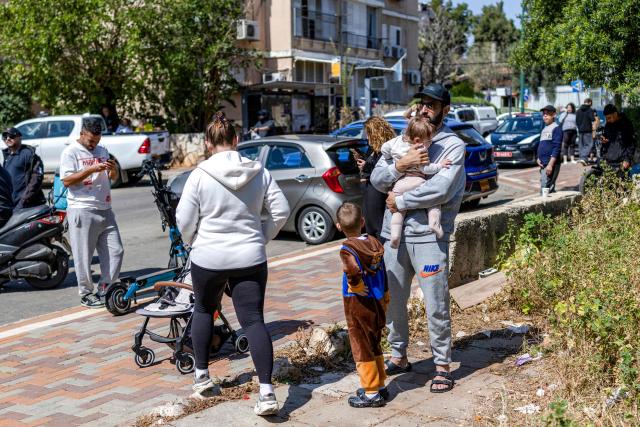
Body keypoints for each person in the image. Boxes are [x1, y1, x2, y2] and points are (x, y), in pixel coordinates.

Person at [175, 112, 289, 415]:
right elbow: (281, 210)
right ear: (236, 140)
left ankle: (201, 376)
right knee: (253, 321)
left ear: (208, 143)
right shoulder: (259, 171)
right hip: (249, 257)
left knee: (203, 309)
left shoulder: (199, 175)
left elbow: (184, 220)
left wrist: (194, 241)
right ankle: (266, 392)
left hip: (208, 257)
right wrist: (260, 237)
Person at [370, 83, 466, 393]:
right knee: (394, 301)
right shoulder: (402, 140)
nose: (425, 109)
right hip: (393, 236)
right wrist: (400, 165)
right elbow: (376, 178)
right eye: (422, 103)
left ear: (444, 110)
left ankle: (441, 365)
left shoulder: (452, 145)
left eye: (433, 105)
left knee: (436, 302)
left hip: (428, 236)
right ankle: (398, 356)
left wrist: (400, 201)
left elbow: (441, 189)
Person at [60, 118, 124, 308]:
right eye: (90, 141)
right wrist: (90, 169)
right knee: (83, 255)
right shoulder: (70, 152)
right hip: (82, 208)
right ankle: (86, 293)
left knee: (116, 251)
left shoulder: (102, 150)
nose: (93, 144)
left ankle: (105, 286)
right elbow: (67, 180)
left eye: (96, 141)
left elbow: (112, 178)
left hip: (105, 208)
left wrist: (112, 171)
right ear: (82, 134)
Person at [336, 202, 389, 408]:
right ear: (363, 222)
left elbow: (352, 269)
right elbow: (383, 270)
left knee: (361, 347)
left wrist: (355, 286)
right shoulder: (374, 243)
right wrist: (385, 293)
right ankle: (380, 384)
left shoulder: (347, 248)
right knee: (375, 343)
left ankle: (370, 392)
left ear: (339, 227)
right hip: (377, 300)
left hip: (358, 304)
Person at [381, 118, 451, 247]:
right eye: (429, 140)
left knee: (397, 211)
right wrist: (440, 165)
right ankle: (434, 223)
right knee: (434, 201)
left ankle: (395, 235)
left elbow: (384, 148)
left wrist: (389, 159)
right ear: (418, 141)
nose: (430, 143)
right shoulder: (421, 150)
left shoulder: (396, 142)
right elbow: (426, 169)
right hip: (418, 181)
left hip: (400, 184)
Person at [356, 117, 396, 241]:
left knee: (379, 232)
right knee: (371, 231)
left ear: (376, 133)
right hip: (369, 195)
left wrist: (367, 166)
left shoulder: (387, 150)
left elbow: (386, 173)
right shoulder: (372, 149)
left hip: (378, 197)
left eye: (368, 134)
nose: (367, 138)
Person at [1, 127, 46, 209]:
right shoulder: (7, 155)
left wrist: (23, 202)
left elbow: (36, 180)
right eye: (5, 136)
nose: (8, 138)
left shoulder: (29, 155)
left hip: (26, 205)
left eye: (11, 136)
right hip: (11, 204)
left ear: (19, 137)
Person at [601, 104, 636, 170]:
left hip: (621, 162)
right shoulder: (608, 125)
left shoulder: (626, 124)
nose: (607, 120)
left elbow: (631, 143)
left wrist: (627, 160)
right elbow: (606, 138)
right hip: (609, 161)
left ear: (615, 114)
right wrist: (604, 140)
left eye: (609, 118)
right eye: (606, 118)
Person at [537, 105, 563, 194]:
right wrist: (538, 158)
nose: (545, 116)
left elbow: (556, 148)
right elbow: (542, 145)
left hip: (551, 164)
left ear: (554, 115)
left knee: (545, 189)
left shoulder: (556, 128)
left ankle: (545, 206)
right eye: (544, 114)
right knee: (547, 187)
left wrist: (550, 165)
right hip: (544, 163)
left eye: (548, 114)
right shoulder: (544, 129)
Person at [576, 98, 596, 165]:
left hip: (580, 130)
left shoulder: (578, 110)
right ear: (590, 102)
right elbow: (592, 119)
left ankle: (583, 159)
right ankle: (583, 157)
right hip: (587, 130)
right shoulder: (590, 110)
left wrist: (579, 127)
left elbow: (577, 121)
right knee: (589, 144)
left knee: (581, 145)